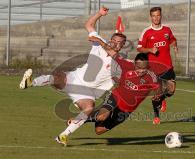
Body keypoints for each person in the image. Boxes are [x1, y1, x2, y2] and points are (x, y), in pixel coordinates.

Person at [19, 7, 127, 140]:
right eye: (114, 41)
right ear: (110, 40)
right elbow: (88, 25)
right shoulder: (101, 43)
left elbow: (113, 54)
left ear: (123, 46)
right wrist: (99, 14)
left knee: (89, 108)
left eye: (119, 43)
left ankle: (63, 135)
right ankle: (31, 82)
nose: (116, 45)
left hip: (87, 92)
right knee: (58, 76)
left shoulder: (120, 62)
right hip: (75, 78)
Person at [56, 35, 163, 146]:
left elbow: (158, 87)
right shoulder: (126, 64)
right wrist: (99, 41)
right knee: (102, 116)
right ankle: (65, 133)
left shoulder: (152, 76)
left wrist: (157, 95)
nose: (141, 71)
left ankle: (85, 118)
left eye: (144, 68)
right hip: (115, 97)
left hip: (127, 110)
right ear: (134, 64)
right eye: (138, 68)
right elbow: (111, 51)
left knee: (99, 130)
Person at [137, 7, 178, 124]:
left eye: (158, 15)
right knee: (156, 93)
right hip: (153, 69)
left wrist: (175, 45)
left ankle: (162, 99)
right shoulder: (147, 32)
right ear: (151, 17)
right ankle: (156, 116)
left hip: (168, 66)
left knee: (171, 91)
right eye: (154, 16)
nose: (156, 18)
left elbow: (172, 39)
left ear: (161, 16)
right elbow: (139, 48)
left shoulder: (167, 30)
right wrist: (150, 49)